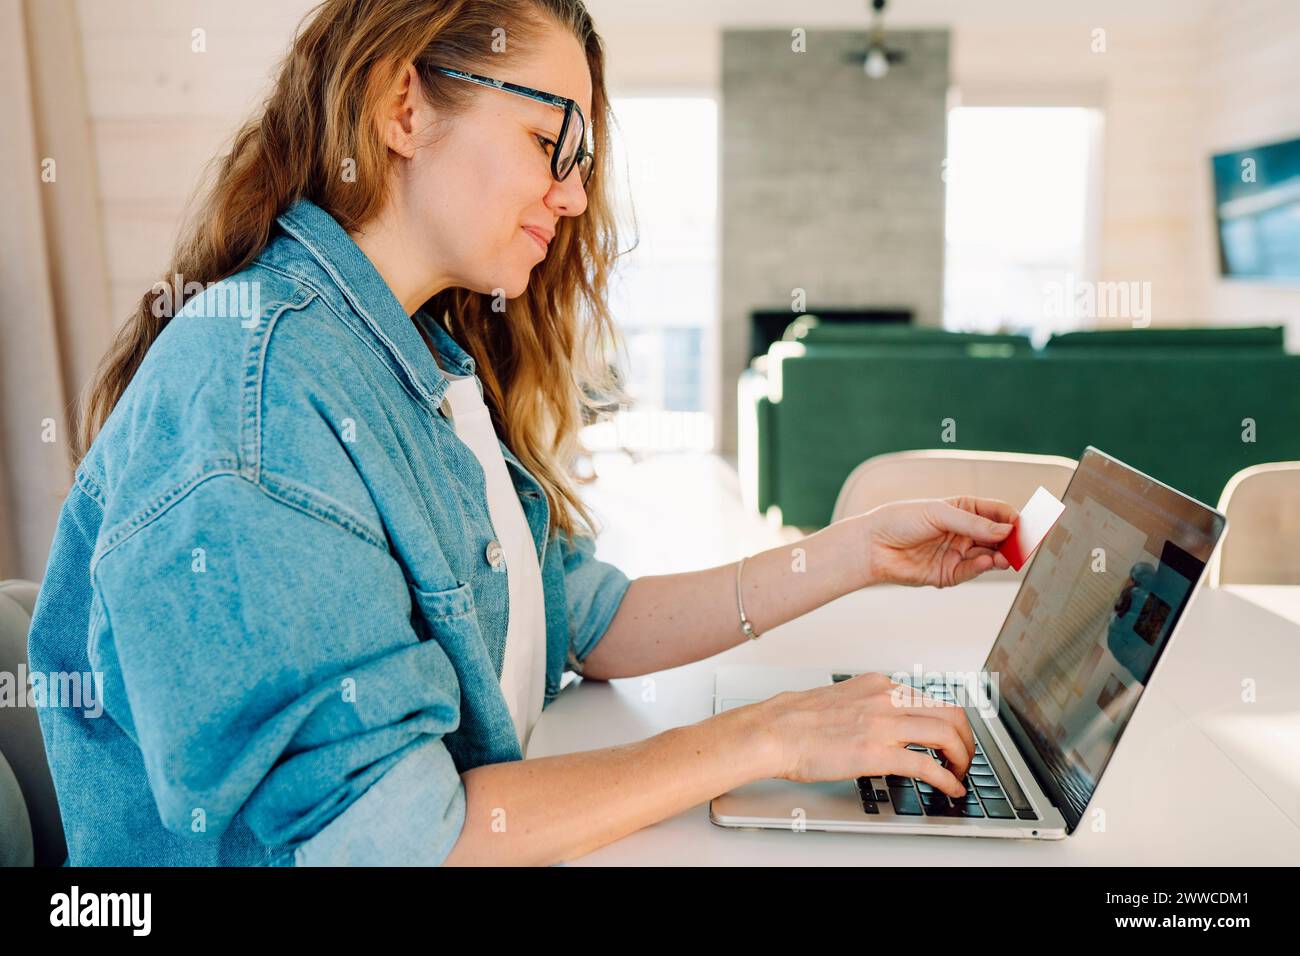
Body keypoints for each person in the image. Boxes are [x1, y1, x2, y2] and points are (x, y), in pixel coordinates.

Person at [27, 0, 1017, 867]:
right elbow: (398, 836)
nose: (577, 195)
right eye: (555, 142)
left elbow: (588, 618)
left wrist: (844, 552)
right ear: (402, 106)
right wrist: (769, 738)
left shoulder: (407, 360)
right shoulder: (255, 395)